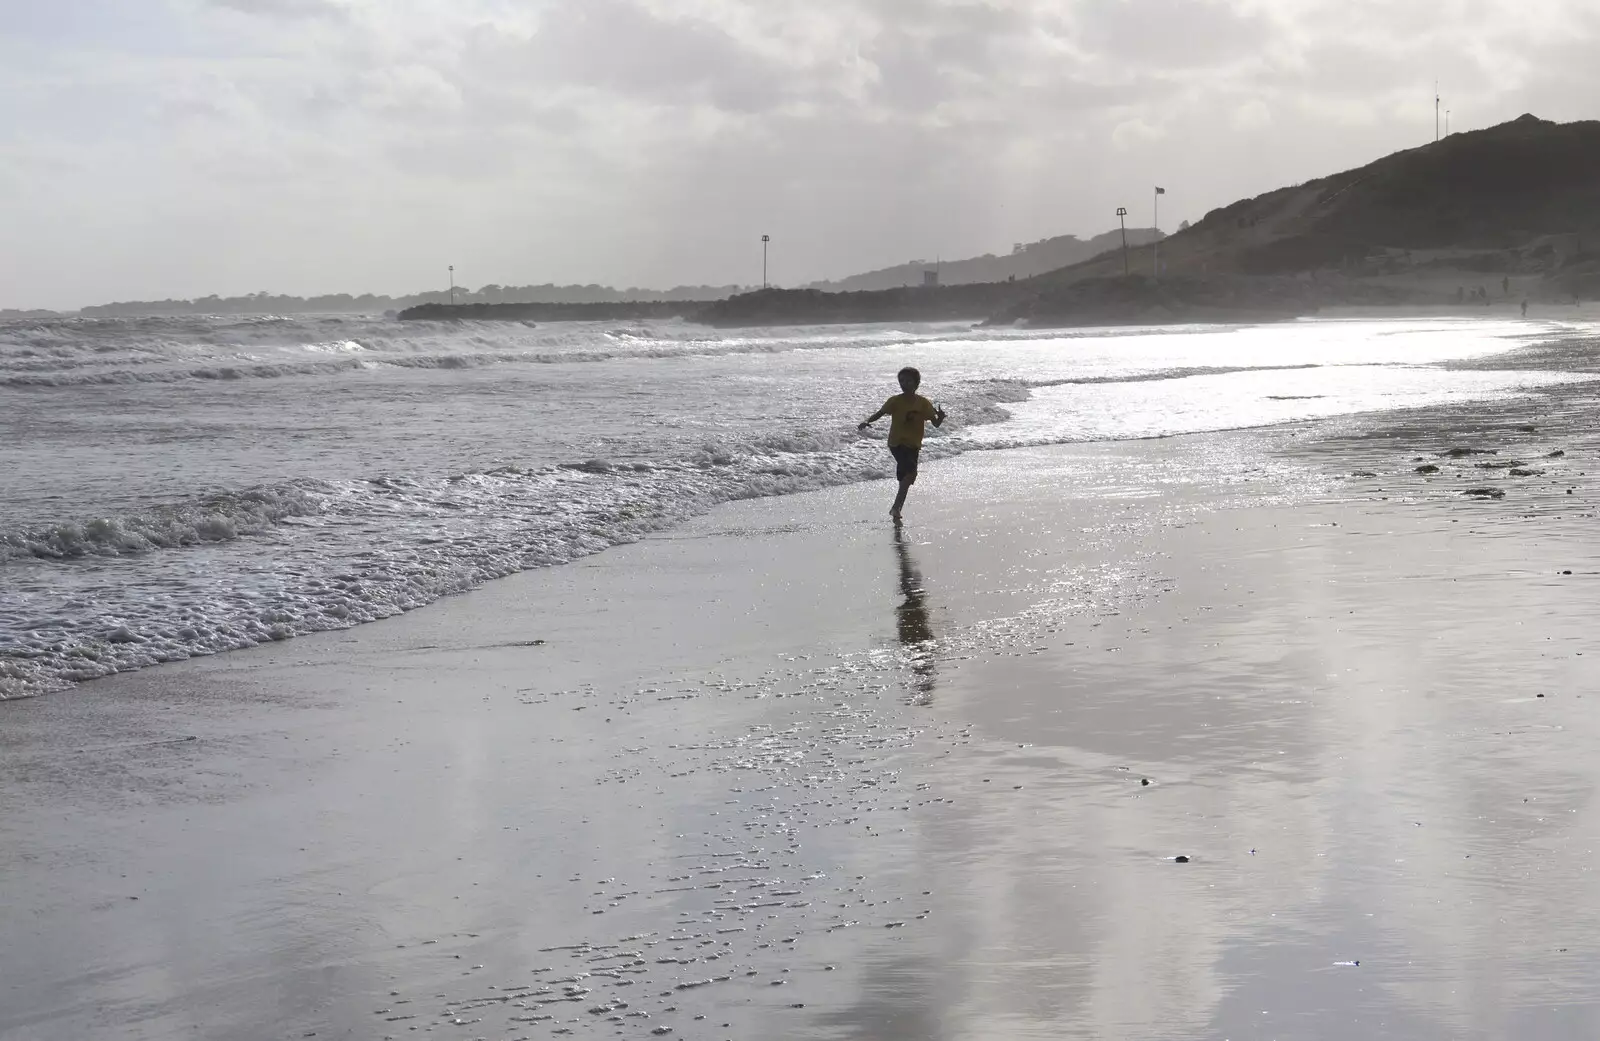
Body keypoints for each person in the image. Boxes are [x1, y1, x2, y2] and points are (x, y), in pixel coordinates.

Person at [859, 366, 945, 521]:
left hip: (913, 444)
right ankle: (896, 508)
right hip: (897, 443)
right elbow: (880, 413)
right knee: (911, 473)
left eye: (908, 381)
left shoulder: (923, 403)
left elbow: (936, 424)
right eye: (901, 381)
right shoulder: (895, 401)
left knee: (907, 477)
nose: (904, 384)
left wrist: (941, 417)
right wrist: (867, 420)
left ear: (916, 383)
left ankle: (896, 508)